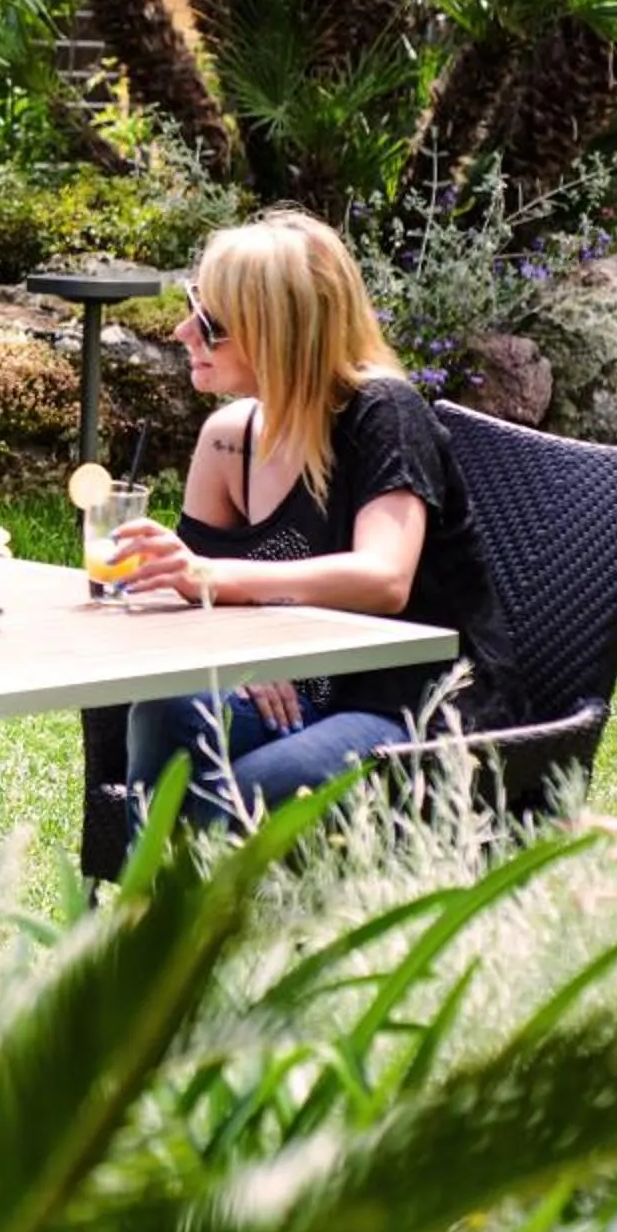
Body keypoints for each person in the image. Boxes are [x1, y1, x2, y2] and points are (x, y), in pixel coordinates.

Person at [111, 207, 515, 833]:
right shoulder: (228, 441)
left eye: (212, 321)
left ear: (280, 332)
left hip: (416, 710)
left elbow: (383, 578)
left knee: (225, 802)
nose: (183, 330)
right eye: (194, 306)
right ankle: (156, 915)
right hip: (311, 697)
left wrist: (214, 578)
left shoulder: (385, 413)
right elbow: (190, 602)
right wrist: (243, 650)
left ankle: (174, 916)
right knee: (161, 711)